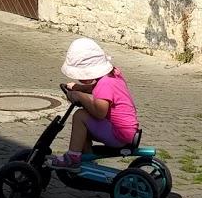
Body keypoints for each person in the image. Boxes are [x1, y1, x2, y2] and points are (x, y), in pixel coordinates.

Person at [49, 37, 139, 169]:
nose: (79, 78)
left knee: (80, 116)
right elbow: (96, 89)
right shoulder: (111, 76)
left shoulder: (105, 84)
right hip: (127, 130)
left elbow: (99, 112)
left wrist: (80, 96)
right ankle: (88, 162)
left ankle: (72, 158)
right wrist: (78, 88)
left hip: (119, 134)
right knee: (83, 129)